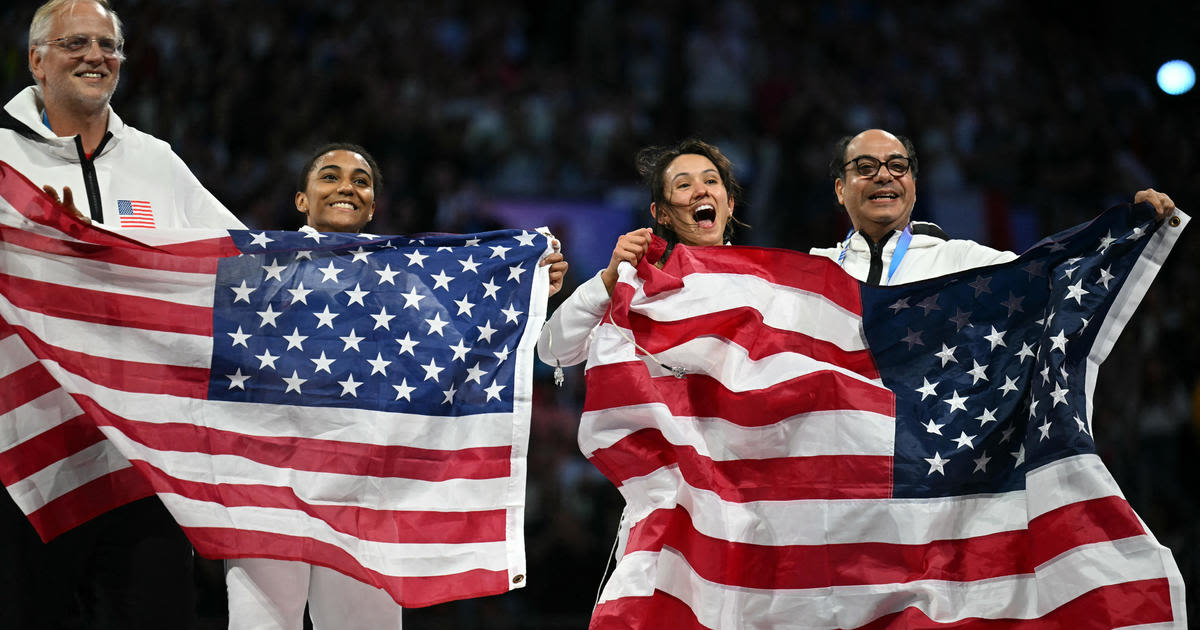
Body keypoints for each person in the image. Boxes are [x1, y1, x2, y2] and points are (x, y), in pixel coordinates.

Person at [223, 143, 567, 630]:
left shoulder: (403, 275)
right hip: (269, 488)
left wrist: (526, 289)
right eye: (330, 176)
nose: (347, 186)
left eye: (361, 181)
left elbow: (458, 349)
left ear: (373, 205)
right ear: (302, 199)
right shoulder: (251, 265)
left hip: (365, 493)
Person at [0, 2, 245, 628]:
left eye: (108, 45)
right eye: (76, 42)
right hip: (25, 454)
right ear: (37, 59)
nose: (96, 56)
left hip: (142, 457)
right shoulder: (1, 160)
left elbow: (244, 263)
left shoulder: (154, 160)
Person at [810, 128, 1177, 284]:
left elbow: (1053, 274)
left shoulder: (960, 260)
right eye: (866, 168)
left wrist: (1132, 232)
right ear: (841, 190)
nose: (883, 176)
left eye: (897, 166)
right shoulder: (815, 270)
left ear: (914, 187)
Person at [537, 138, 743, 368]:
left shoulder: (767, 286)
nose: (702, 190)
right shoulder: (637, 290)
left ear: (730, 205)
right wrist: (608, 281)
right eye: (684, 185)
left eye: (711, 180)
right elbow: (552, 352)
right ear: (662, 213)